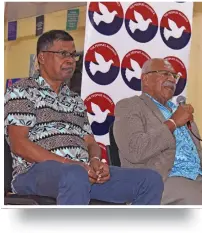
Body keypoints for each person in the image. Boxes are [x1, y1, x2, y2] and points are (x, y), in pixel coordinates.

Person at [4, 30, 164, 205]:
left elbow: (90, 142)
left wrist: (95, 161)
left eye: (73, 55)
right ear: (42, 57)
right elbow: (19, 144)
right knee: (74, 174)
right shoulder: (22, 90)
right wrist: (69, 163)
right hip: (34, 172)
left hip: (81, 173)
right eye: (63, 54)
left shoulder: (75, 100)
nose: (70, 60)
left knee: (150, 180)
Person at [114, 58, 202, 205]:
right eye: (165, 74)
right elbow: (135, 150)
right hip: (162, 179)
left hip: (199, 177)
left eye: (174, 76)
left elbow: (198, 153)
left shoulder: (180, 111)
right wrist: (173, 122)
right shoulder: (129, 106)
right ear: (146, 78)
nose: (172, 80)